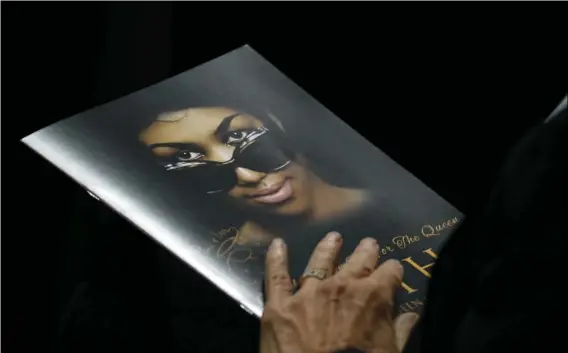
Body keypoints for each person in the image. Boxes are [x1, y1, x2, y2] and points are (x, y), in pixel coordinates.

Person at [138, 106, 369, 246]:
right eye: (186, 156)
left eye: (238, 135)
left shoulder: (391, 200)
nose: (248, 176)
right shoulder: (236, 260)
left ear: (276, 123)